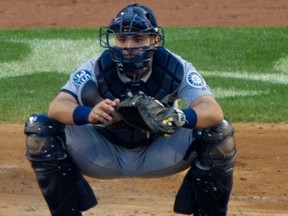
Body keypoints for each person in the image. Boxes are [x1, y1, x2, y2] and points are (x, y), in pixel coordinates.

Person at [24, 3, 237, 216]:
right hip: (103, 152)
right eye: (122, 39)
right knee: (40, 130)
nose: (128, 47)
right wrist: (88, 114)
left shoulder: (175, 67)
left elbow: (212, 111)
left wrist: (177, 116)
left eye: (138, 39)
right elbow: (58, 106)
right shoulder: (96, 67)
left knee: (219, 133)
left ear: (155, 41)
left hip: (160, 151)